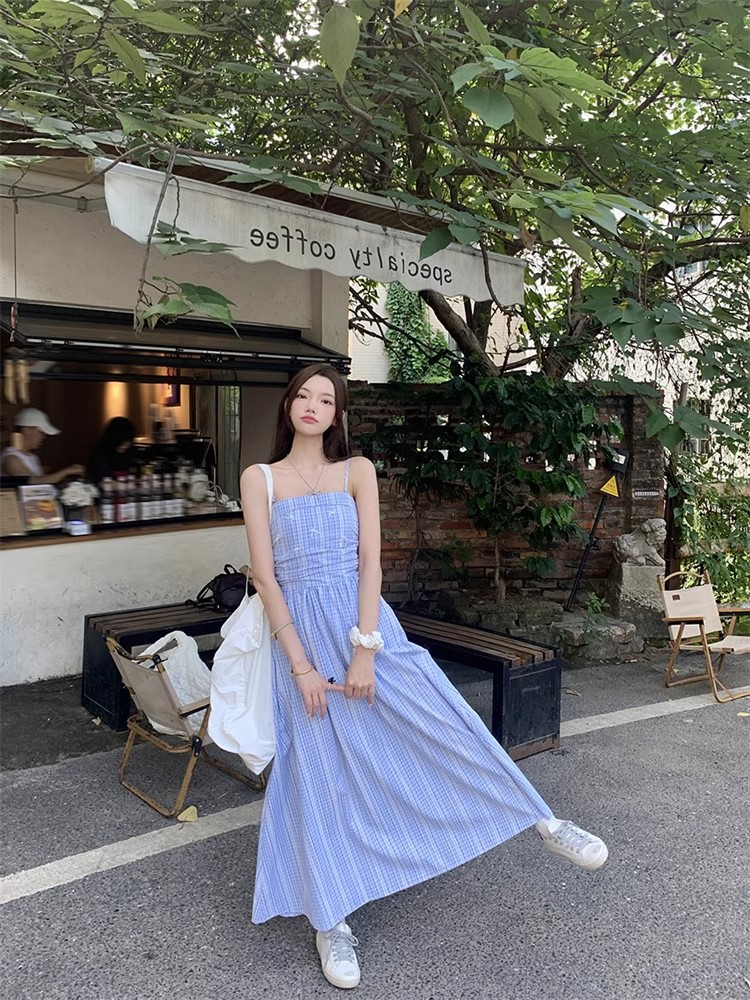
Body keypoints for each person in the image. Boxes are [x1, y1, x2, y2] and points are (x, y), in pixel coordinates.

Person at [240, 364, 608, 991]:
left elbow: (369, 563)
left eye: (325, 399)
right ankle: (331, 921)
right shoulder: (261, 478)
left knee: (441, 717)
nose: (312, 405)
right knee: (315, 773)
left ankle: (541, 819)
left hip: (365, 627)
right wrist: (301, 666)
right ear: (288, 406)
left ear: (338, 414)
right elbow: (266, 578)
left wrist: (364, 650)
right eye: (302, 395)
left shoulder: (357, 471)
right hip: (297, 637)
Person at [0, 408, 85, 484]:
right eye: (41, 432)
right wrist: (67, 471)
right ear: (26, 430)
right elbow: (34, 484)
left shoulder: (33, 457)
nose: (43, 437)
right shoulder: (11, 459)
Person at [88, 417, 136, 484]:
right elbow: (100, 479)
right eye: (122, 442)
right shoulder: (100, 454)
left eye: (129, 440)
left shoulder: (131, 453)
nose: (126, 445)